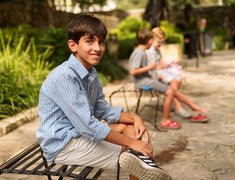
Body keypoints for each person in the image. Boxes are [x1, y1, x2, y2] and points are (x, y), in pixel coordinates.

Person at [36, 15, 172, 180]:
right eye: (89, 41)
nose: (97, 48)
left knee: (134, 131)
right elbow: (88, 126)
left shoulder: (90, 73)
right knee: (133, 149)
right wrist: (131, 143)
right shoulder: (64, 77)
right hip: (63, 144)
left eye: (100, 42)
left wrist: (134, 117)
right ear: (73, 45)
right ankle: (146, 165)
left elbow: (103, 109)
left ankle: (145, 165)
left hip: (78, 133)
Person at [129, 29, 208, 130]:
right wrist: (150, 67)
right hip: (143, 82)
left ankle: (192, 106)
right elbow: (133, 71)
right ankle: (166, 120)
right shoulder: (139, 53)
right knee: (170, 92)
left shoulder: (141, 52)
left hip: (147, 79)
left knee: (172, 90)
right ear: (149, 41)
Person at [145, 27, 192, 118]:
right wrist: (162, 65)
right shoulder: (149, 51)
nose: (161, 44)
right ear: (152, 39)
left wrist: (167, 63)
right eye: (159, 42)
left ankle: (171, 100)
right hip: (153, 75)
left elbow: (160, 63)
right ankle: (178, 107)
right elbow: (152, 67)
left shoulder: (157, 50)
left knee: (178, 80)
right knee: (173, 83)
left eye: (162, 42)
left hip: (159, 72)